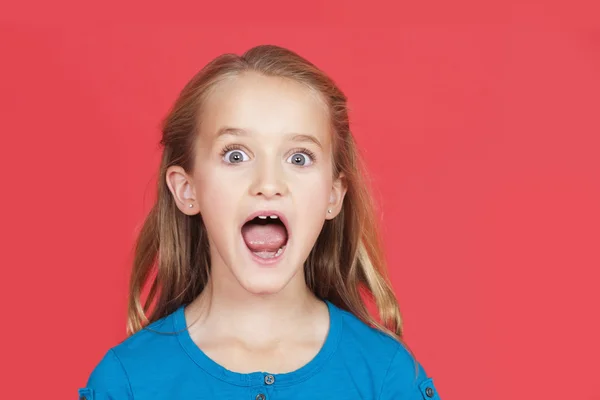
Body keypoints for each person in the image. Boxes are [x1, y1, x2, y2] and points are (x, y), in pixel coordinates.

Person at [78, 44, 441, 400]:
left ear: (333, 195)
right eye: (236, 155)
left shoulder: (385, 376)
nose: (268, 184)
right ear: (187, 190)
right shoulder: (127, 381)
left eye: (299, 158)